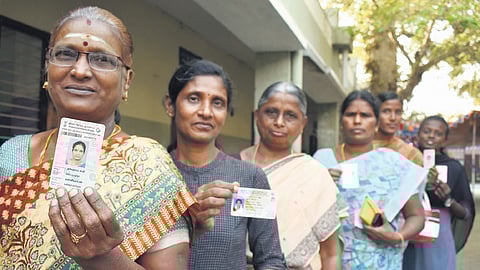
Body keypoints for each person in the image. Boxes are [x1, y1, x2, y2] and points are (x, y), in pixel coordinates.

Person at [0, 6, 196, 269]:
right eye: (66, 54)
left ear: (126, 81)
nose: (80, 70)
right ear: (47, 69)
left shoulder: (148, 166)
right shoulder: (12, 153)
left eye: (102, 59)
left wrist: (104, 258)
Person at [164, 60, 286, 269]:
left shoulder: (249, 178)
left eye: (217, 103)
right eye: (194, 99)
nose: (206, 111)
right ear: (170, 105)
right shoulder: (148, 173)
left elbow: (271, 260)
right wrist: (190, 223)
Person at [315, 90, 425, 270]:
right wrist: (321, 184)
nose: (357, 121)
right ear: (341, 122)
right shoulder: (322, 160)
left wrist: (397, 236)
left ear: (376, 124)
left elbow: (416, 216)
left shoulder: (393, 163)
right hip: (330, 261)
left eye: (365, 115)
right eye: (351, 114)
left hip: (381, 260)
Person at [239, 81, 340, 270]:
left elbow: (330, 254)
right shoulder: (235, 166)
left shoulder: (315, 174)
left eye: (290, 116)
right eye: (271, 112)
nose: (279, 122)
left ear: (303, 123)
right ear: (256, 116)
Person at [402, 115, 475, 270]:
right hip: (406, 229)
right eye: (427, 131)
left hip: (438, 234)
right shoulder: (405, 162)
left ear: (445, 140)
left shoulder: (454, 168)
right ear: (418, 134)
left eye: (438, 133)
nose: (431, 136)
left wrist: (448, 199)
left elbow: (465, 213)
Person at [374, 91, 423, 165]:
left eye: (397, 112)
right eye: (386, 111)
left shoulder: (410, 153)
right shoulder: (360, 147)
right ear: (376, 114)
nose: (393, 118)